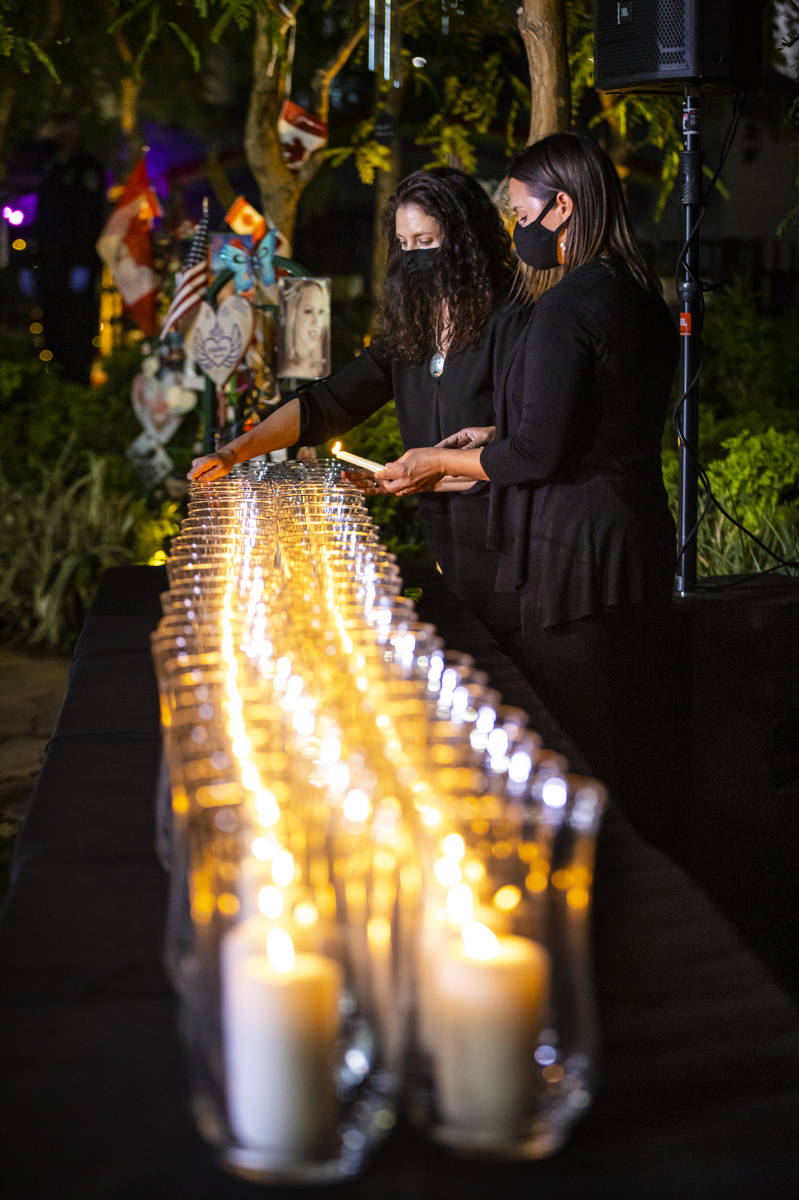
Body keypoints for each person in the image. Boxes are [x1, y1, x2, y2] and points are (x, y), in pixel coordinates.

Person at [377, 134, 679, 835]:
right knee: (627, 740)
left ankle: (594, 900)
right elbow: (591, 418)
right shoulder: (633, 294)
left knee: (576, 752)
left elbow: (538, 453)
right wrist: (487, 436)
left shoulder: (566, 306)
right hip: (633, 536)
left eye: (518, 212)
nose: (514, 229)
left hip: (578, 560)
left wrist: (436, 462)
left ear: (562, 207)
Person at [188, 166, 528, 640]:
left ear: (465, 241)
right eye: (404, 246)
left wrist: (442, 468)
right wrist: (234, 452)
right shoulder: (413, 331)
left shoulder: (512, 322)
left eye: (426, 242)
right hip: (447, 545)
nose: (413, 258)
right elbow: (329, 402)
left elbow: (529, 442)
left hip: (513, 547)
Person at [18, 114, 105, 386]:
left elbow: (90, 219)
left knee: (77, 329)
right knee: (50, 329)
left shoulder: (87, 169)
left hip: (77, 264)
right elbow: (32, 218)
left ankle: (77, 386)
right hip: (47, 263)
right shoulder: (46, 168)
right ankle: (55, 384)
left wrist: (82, 262)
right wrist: (25, 263)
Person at [277, 278, 331, 379]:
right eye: (308, 311)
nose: (316, 321)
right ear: (293, 315)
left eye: (321, 312)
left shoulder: (319, 369)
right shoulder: (291, 370)